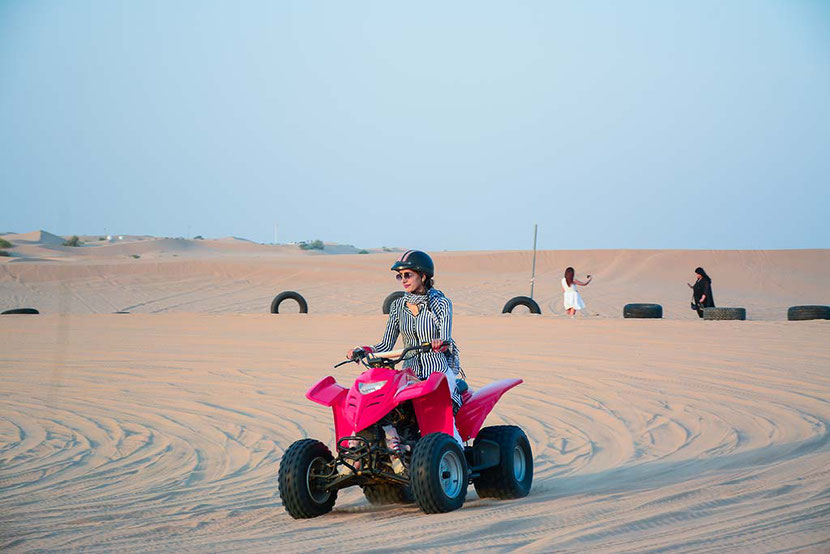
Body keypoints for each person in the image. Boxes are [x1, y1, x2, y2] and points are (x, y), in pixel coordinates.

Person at [345, 250, 464, 445]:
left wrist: (439, 343)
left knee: (443, 420)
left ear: (423, 276)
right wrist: (362, 349)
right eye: (399, 276)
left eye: (407, 275)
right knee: (391, 413)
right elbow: (385, 345)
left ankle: (457, 456)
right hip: (410, 375)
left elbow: (445, 338)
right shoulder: (398, 306)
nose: (403, 280)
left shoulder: (441, 303)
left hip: (437, 374)